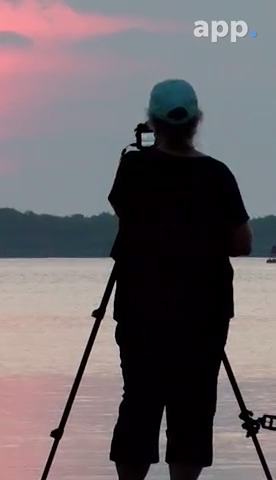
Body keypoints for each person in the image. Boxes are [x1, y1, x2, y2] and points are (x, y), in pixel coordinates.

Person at [107, 78, 253, 480]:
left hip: (141, 309)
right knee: (193, 406)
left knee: (139, 402)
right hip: (203, 312)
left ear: (152, 122)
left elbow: (127, 216)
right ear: (197, 120)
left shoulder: (133, 169)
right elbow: (242, 243)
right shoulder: (216, 175)